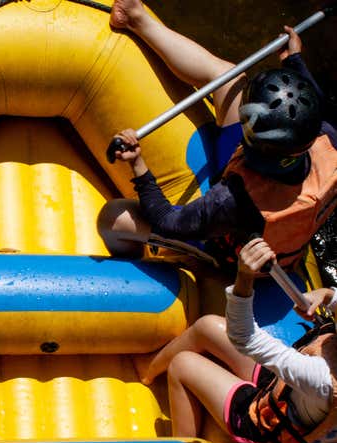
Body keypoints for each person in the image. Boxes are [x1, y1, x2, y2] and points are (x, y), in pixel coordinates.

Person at [99, 0, 337, 269]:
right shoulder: (328, 138)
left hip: (234, 255)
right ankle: (137, 19)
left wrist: (137, 164)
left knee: (113, 218)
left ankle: (141, 268)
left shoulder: (231, 200)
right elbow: (317, 103)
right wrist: (293, 61)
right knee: (229, 77)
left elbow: (167, 220)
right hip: (278, 179)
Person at [136, 237, 337, 443]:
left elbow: (244, 336)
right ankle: (147, 373)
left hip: (268, 430)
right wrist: (326, 295)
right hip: (285, 392)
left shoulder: (321, 378)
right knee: (208, 326)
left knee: (182, 364)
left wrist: (244, 278)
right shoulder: (317, 376)